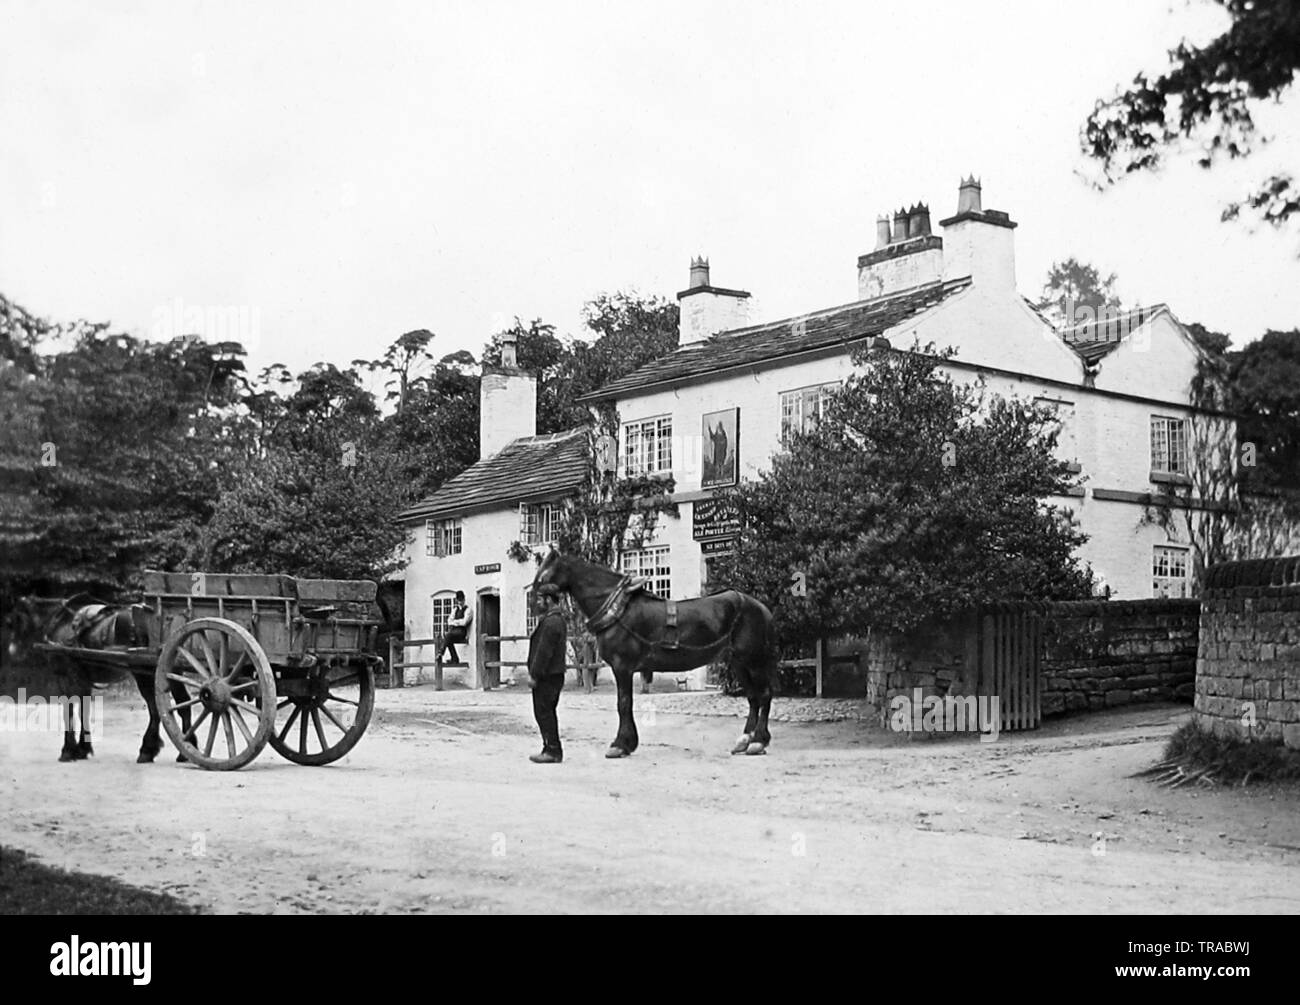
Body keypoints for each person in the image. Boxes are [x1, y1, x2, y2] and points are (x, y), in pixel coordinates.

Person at [527, 584, 567, 763]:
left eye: (540, 598)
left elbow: (544, 652)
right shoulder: (553, 619)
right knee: (546, 712)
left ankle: (552, 750)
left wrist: (534, 674)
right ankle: (550, 747)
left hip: (547, 676)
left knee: (544, 712)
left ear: (549, 600)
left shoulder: (552, 622)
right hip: (552, 675)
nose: (538, 602)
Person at [439, 591, 472, 664]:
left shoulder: (468, 610)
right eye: (459, 600)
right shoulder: (455, 610)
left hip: (461, 633)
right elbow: (449, 621)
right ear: (457, 600)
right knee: (447, 637)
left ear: (464, 599)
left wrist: (455, 622)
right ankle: (454, 658)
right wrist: (457, 622)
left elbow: (464, 622)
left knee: (448, 636)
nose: (460, 602)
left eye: (462, 600)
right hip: (453, 632)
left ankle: (441, 652)